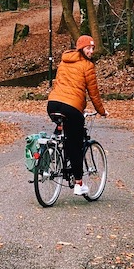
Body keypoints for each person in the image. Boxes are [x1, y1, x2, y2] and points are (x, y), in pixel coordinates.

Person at [47, 34, 107, 196]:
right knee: (75, 143)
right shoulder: (87, 66)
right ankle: (79, 184)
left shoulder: (64, 62)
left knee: (64, 131)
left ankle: (52, 150)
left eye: (93, 48)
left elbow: (62, 85)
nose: (91, 51)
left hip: (52, 104)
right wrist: (102, 111)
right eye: (88, 48)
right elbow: (93, 93)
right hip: (71, 107)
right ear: (81, 48)